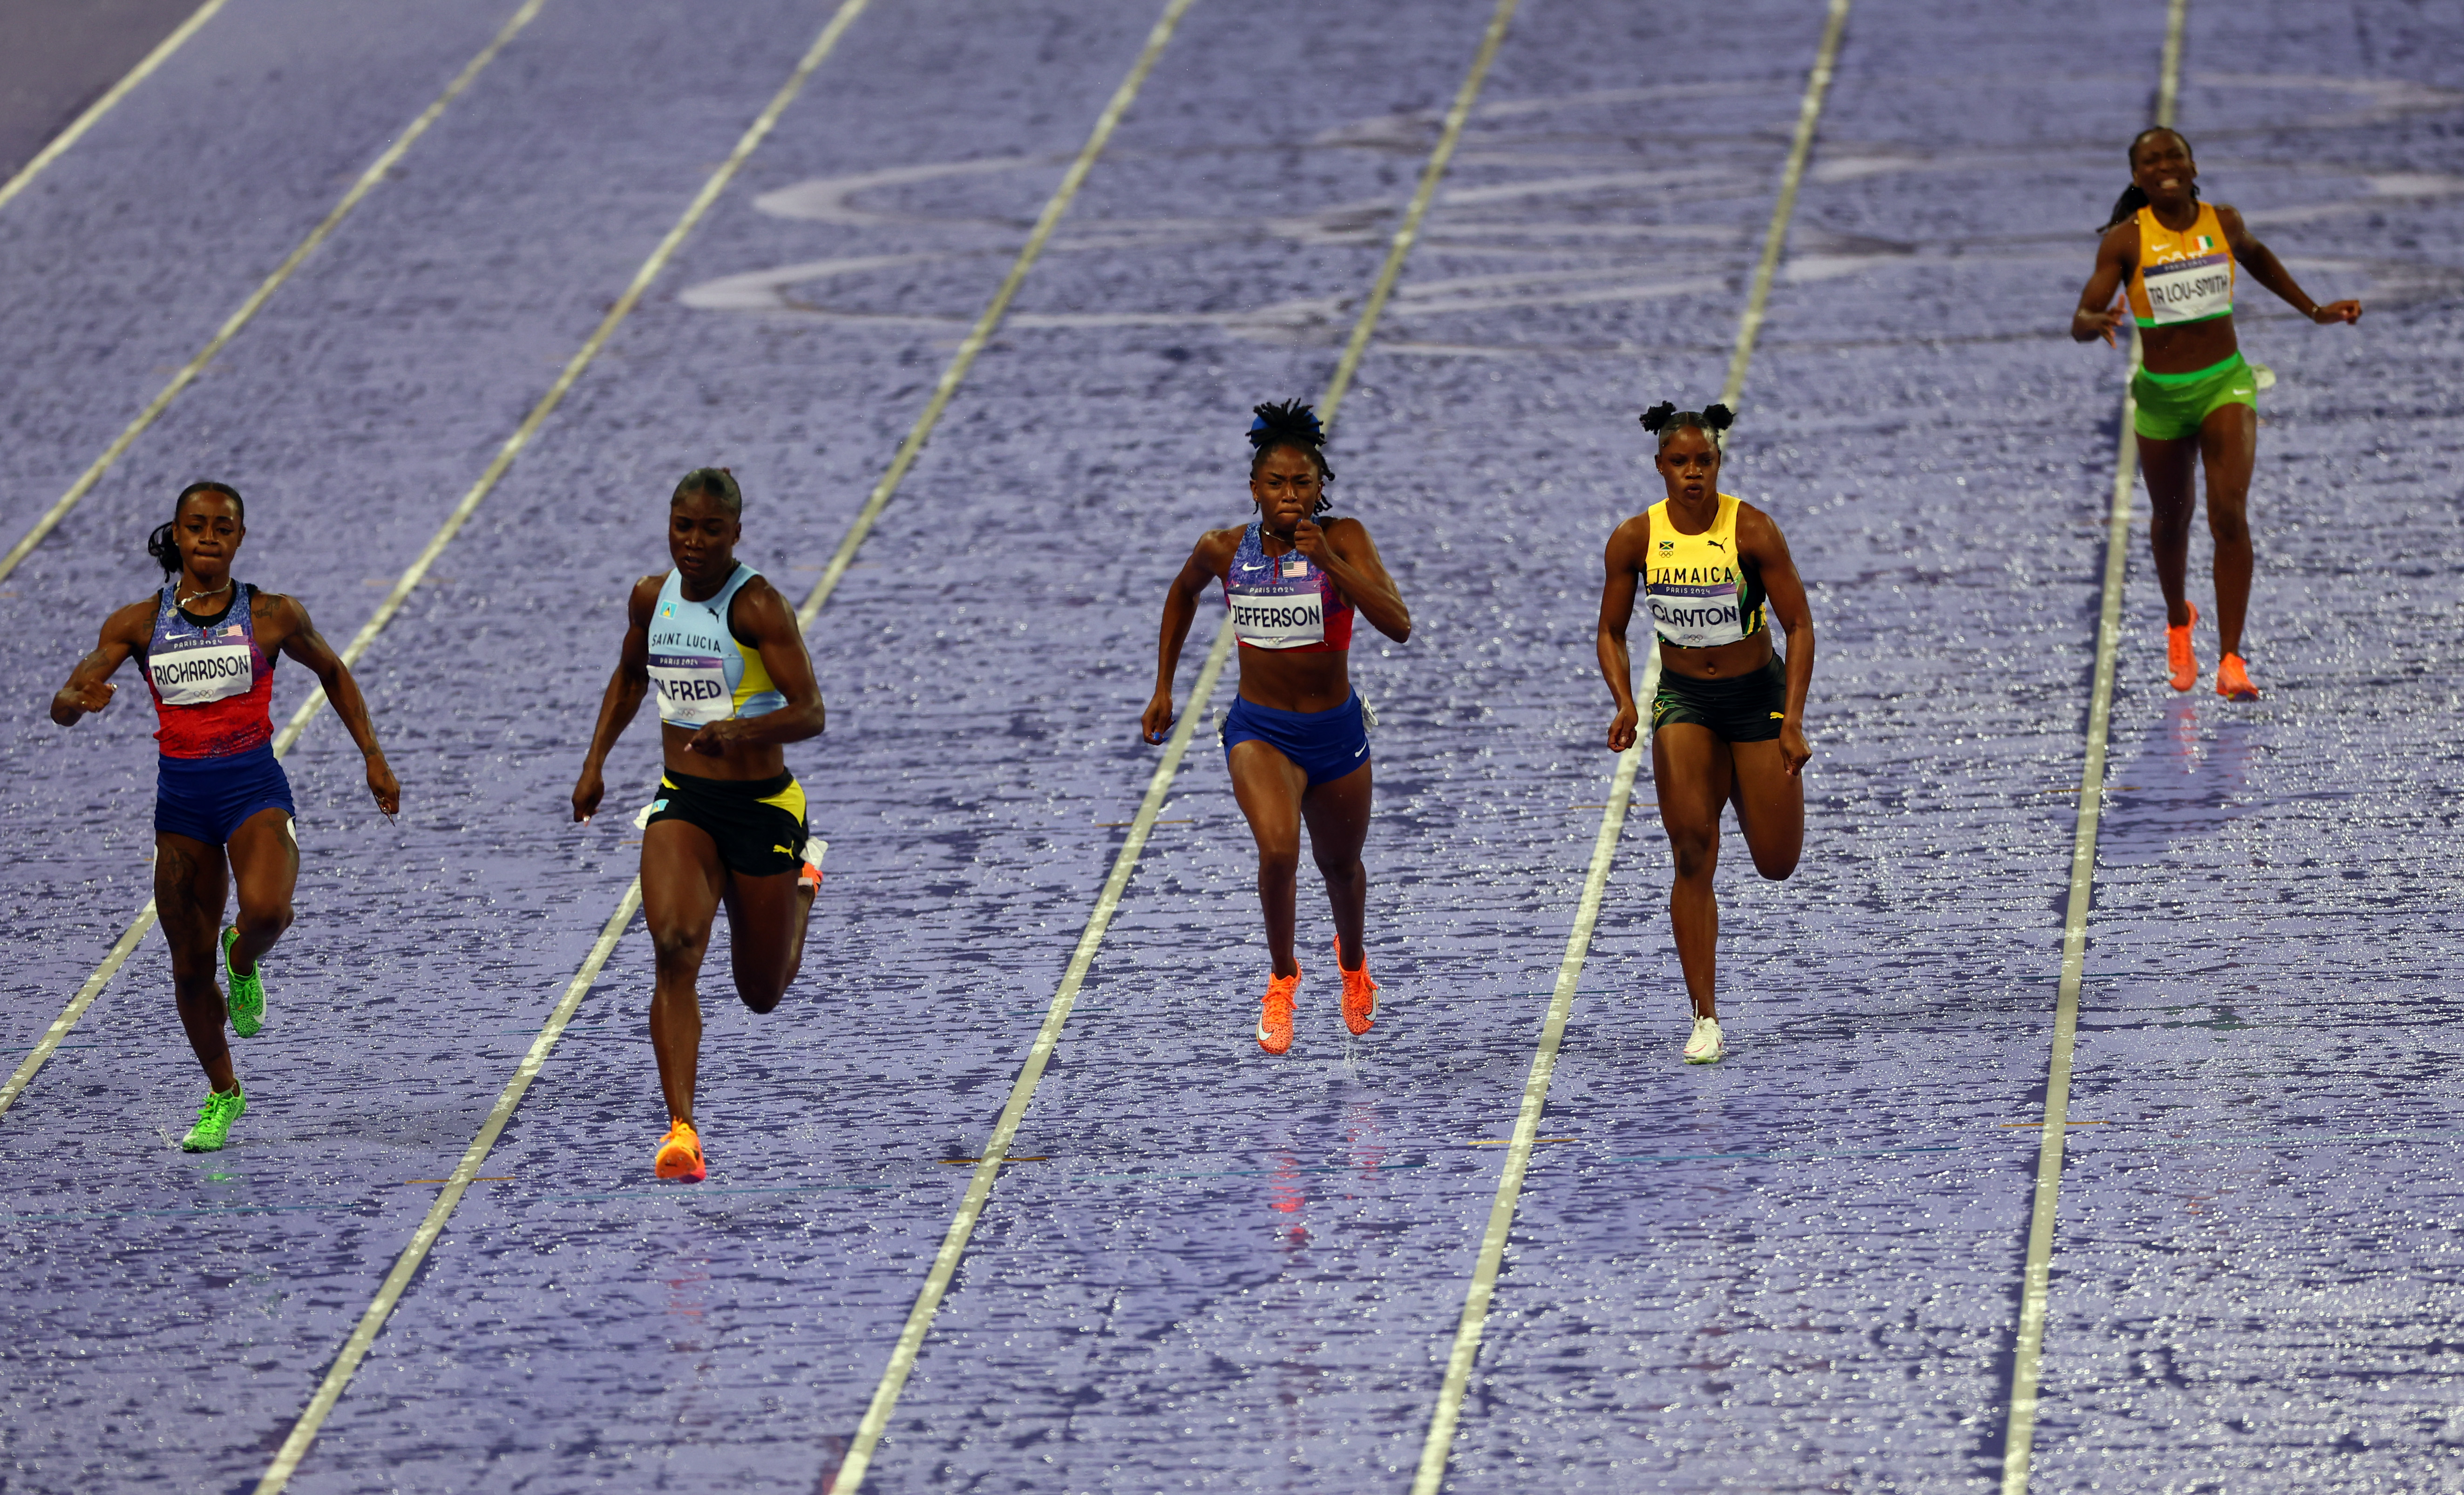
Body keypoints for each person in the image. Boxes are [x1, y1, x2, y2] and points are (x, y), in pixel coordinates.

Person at [49, 481, 399, 1151]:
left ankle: (245, 963)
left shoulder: (272, 614)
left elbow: (334, 671)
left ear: (240, 539)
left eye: (223, 526)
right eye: (196, 525)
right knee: (187, 969)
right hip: (182, 809)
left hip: (253, 791)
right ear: (175, 536)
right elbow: (69, 697)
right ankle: (222, 1094)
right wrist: (72, 700)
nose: (209, 535)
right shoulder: (136, 624)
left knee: (267, 913)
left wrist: (373, 757)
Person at [570, 469, 826, 1183]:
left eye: (711, 530)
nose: (694, 542)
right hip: (683, 800)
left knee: (761, 992)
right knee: (674, 945)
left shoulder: (758, 608)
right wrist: (594, 763)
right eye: (684, 526)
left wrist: (739, 732)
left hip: (763, 807)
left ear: (735, 534)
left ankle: (804, 880)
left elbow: (811, 711)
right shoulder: (651, 598)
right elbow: (628, 677)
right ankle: (681, 1130)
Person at [1143, 402, 1411, 1055]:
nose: (1288, 495)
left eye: (1301, 484)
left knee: (1341, 865)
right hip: (1259, 731)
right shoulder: (1222, 548)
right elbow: (1182, 592)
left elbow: (1398, 623)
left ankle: (1352, 965)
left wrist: (1331, 563)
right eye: (1275, 483)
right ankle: (1283, 976)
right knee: (1278, 850)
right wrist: (1163, 685)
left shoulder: (1342, 537)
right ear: (1254, 488)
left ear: (1320, 488)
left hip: (1335, 732)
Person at [2070, 126, 2362, 700]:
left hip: (2224, 385)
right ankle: (2179, 620)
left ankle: (2232, 661)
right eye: (2150, 162)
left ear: (2191, 163)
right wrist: (2089, 323)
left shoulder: (2221, 222)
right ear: (2137, 178)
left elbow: (2255, 257)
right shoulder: (2125, 243)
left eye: (2172, 156)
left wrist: (2313, 311)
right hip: (2160, 395)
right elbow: (2082, 315)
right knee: (2170, 520)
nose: (2164, 167)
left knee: (2227, 512)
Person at [1595, 403, 1813, 1065]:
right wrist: (1625, 701)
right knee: (1691, 850)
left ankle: (1749, 788)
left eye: (1704, 461)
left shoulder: (1751, 531)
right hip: (1685, 700)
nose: (1692, 473)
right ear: (1659, 466)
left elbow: (1798, 626)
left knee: (1776, 862)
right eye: (1679, 463)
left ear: (1717, 463)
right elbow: (1609, 630)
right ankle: (1704, 1017)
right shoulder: (1634, 540)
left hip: (1755, 700)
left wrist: (1793, 719)